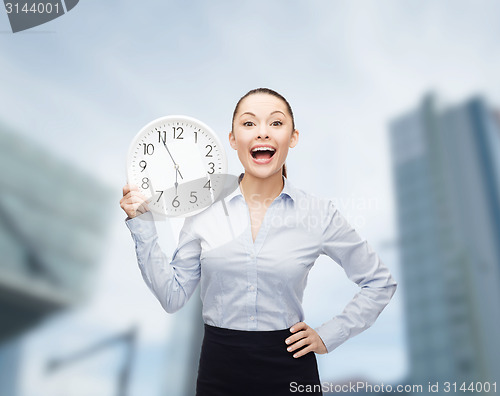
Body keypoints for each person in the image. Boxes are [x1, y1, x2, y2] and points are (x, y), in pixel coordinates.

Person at [120, 88, 398, 395]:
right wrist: (142, 224)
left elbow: (379, 283)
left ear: (292, 138)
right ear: (232, 139)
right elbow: (172, 297)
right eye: (249, 123)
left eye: (276, 123)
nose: (262, 132)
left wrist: (328, 335)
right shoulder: (202, 211)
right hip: (219, 369)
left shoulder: (318, 213)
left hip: (291, 368)